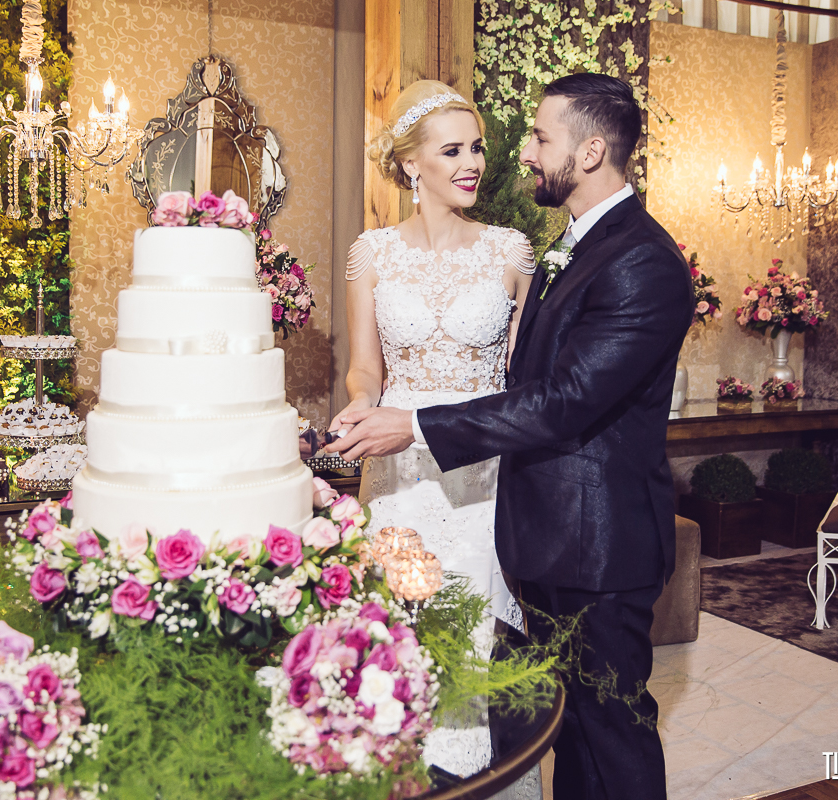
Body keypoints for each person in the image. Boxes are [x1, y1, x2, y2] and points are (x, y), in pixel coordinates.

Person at [329, 73, 695, 800]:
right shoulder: (576, 242)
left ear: (590, 151)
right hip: (544, 523)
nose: (517, 153)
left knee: (611, 728)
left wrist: (417, 423)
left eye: (537, 137)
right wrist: (370, 405)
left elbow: (561, 401)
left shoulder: (639, 261)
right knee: (568, 722)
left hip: (596, 538)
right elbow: (527, 378)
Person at [328, 79, 538, 791]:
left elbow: (525, 380)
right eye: (452, 150)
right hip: (399, 473)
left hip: (485, 473)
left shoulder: (513, 252)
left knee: (476, 631)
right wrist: (358, 409)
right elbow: (364, 369)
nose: (472, 162)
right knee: (402, 629)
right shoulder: (372, 254)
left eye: (476, 147)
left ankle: (481, 776)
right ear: (412, 165)